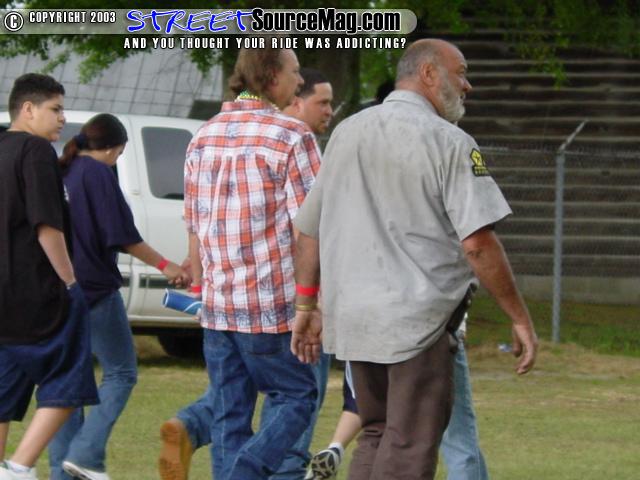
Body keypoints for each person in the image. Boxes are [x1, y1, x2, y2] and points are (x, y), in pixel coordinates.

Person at [291, 38, 538, 480]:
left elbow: (309, 228)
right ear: (428, 74)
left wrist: (306, 305)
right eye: (461, 73)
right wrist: (519, 317)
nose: (467, 86)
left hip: (355, 320)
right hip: (417, 326)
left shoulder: (346, 132)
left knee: (375, 433)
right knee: (409, 445)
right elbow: (478, 244)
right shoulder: (450, 142)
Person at [158, 66, 334, 480]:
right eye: (294, 70)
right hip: (271, 307)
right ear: (271, 77)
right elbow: (310, 227)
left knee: (228, 415)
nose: (298, 80)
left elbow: (194, 223)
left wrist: (200, 288)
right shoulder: (293, 135)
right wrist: (312, 302)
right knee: (298, 397)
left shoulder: (203, 135)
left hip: (219, 307)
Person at [47, 113, 189, 480]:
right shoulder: (97, 174)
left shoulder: (62, 170)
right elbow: (123, 235)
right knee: (121, 372)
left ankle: (62, 471)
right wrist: (166, 265)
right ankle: (86, 453)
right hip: (94, 290)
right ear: (115, 149)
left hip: (56, 292)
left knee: (67, 386)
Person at [0, 73, 99, 480]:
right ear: (28, 109)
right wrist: (70, 282)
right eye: (55, 109)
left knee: (3, 388)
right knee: (69, 379)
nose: (63, 118)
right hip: (37, 295)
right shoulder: (36, 150)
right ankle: (19, 468)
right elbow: (46, 225)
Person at [305, 316, 490, 480]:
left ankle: (336, 446)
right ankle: (336, 447)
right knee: (443, 438)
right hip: (424, 334)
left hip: (364, 332)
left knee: (375, 431)